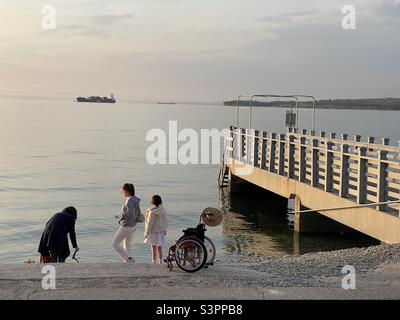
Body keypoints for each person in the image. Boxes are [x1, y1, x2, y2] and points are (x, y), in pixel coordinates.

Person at [112, 183, 141, 262]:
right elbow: (138, 213)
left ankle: (128, 259)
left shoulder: (129, 200)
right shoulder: (135, 200)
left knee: (115, 243)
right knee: (127, 245)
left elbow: (131, 215)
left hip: (127, 226)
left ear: (126, 191)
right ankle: (128, 262)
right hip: (133, 226)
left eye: (122, 191)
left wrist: (121, 216)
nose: (122, 193)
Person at [144, 195, 168, 264]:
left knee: (153, 247)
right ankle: (160, 262)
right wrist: (165, 230)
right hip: (160, 232)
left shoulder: (152, 212)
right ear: (160, 202)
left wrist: (146, 232)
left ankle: (154, 262)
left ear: (152, 202)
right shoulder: (163, 210)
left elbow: (149, 223)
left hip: (154, 232)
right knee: (159, 248)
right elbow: (165, 221)